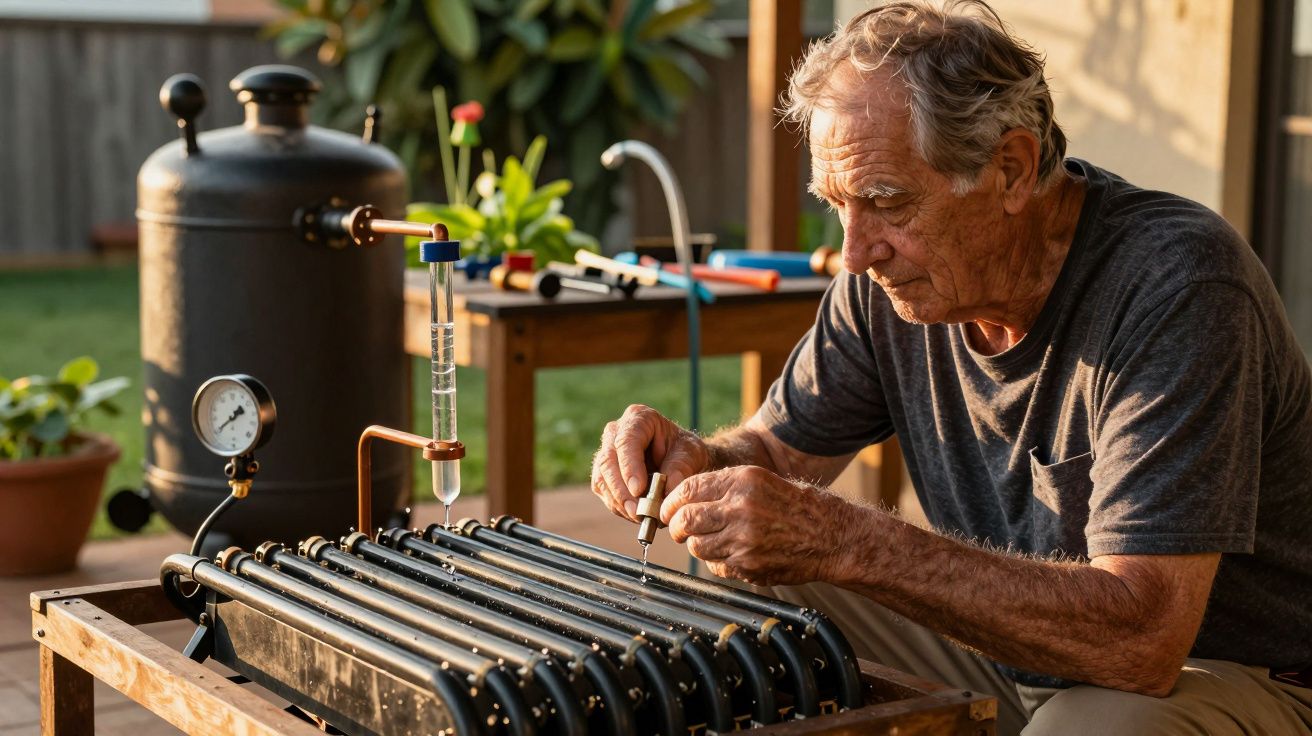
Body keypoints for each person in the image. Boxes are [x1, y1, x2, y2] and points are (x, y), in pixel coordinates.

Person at [589, 1, 1312, 733]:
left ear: (1012, 170)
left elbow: (1145, 638)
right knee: (748, 601)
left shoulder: (1177, 283)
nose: (856, 251)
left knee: (1095, 729)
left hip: (1224, 669)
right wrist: (698, 461)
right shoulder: (887, 283)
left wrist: (848, 538)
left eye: (887, 202)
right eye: (837, 205)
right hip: (1008, 648)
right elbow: (776, 452)